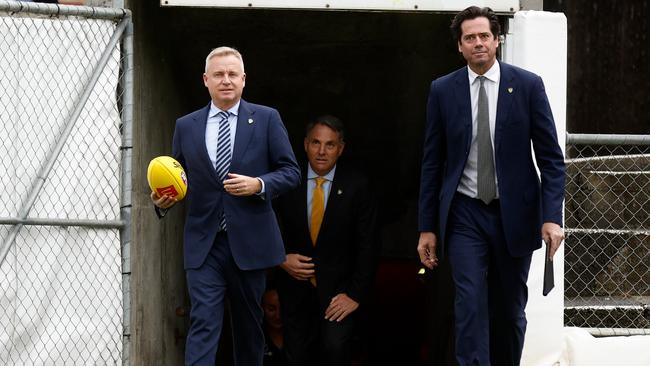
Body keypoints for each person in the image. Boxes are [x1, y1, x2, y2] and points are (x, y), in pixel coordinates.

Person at [416, 6, 566, 366]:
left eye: (484, 36)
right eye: (470, 38)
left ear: (497, 40)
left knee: (510, 310)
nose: (478, 43)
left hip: (513, 214)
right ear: (460, 46)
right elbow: (432, 162)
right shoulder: (443, 90)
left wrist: (551, 216)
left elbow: (551, 159)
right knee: (468, 302)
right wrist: (426, 227)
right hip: (464, 213)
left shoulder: (528, 86)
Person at [151, 46, 300, 366]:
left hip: (250, 242)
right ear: (206, 80)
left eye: (233, 74)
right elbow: (178, 178)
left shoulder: (266, 118)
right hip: (204, 243)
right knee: (203, 322)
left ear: (244, 80)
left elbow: (291, 172)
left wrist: (258, 185)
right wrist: (162, 200)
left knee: (248, 329)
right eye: (219, 74)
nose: (226, 80)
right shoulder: (186, 125)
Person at [274, 115, 378, 366]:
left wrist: (354, 295)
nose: (321, 151)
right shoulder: (287, 180)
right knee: (296, 357)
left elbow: (369, 244)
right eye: (316, 143)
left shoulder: (358, 186)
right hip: (294, 291)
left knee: (334, 351)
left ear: (340, 149)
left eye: (330, 145)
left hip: (338, 294)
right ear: (305, 144)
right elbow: (266, 225)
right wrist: (279, 257)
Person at [262, 284, 288, 366]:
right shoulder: (256, 339)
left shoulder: (297, 337)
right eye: (271, 309)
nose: (278, 316)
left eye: (282, 308)